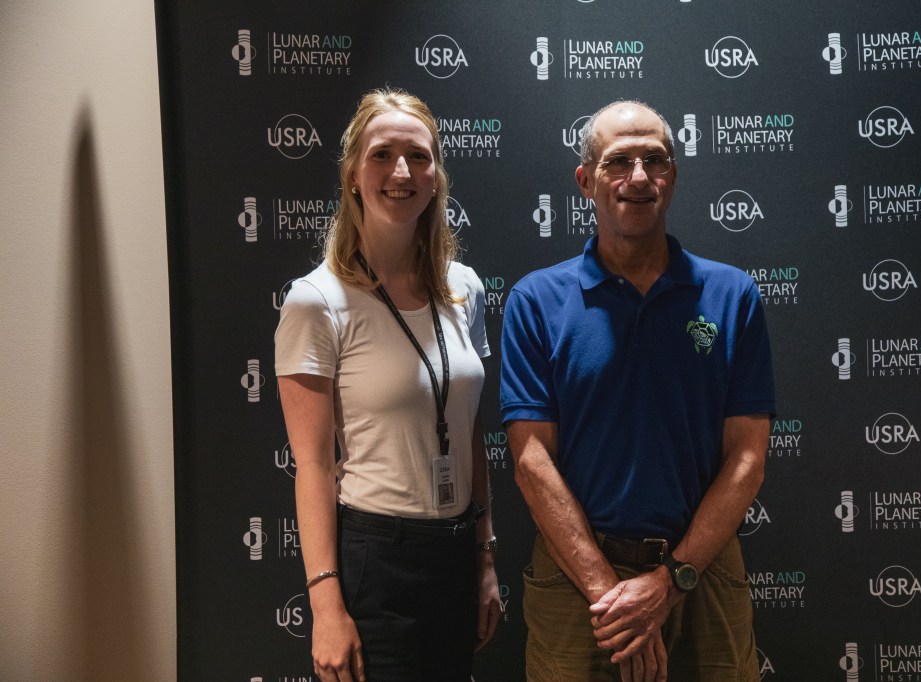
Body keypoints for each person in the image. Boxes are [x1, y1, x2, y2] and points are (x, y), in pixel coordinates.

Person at [500, 100, 775, 682]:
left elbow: (748, 458)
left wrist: (670, 582)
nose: (640, 177)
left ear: (674, 175)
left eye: (656, 160)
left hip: (702, 573)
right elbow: (530, 461)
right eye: (619, 161)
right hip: (578, 583)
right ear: (586, 181)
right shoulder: (535, 301)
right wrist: (612, 597)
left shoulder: (733, 295)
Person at [275, 88, 501, 682]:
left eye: (418, 156)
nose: (401, 172)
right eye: (382, 154)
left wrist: (484, 556)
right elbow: (312, 466)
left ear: (436, 177)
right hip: (376, 561)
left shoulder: (465, 289)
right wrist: (326, 607)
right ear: (353, 175)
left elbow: (469, 434)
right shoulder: (317, 301)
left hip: (456, 554)